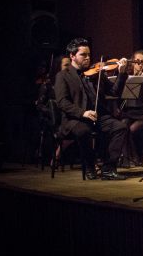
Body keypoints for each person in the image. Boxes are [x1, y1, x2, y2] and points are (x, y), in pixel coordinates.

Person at [54, 38, 130, 180]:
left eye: (89, 54)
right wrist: (83, 112)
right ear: (72, 56)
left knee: (120, 127)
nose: (88, 58)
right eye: (83, 55)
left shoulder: (96, 73)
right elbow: (62, 102)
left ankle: (108, 168)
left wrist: (121, 74)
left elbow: (114, 92)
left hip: (97, 116)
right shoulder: (63, 76)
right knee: (84, 131)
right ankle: (89, 166)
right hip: (74, 119)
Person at [118, 49, 143, 165]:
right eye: (137, 61)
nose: (140, 64)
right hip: (130, 112)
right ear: (132, 63)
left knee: (133, 129)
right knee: (122, 126)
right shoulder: (127, 78)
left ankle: (137, 157)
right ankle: (126, 159)